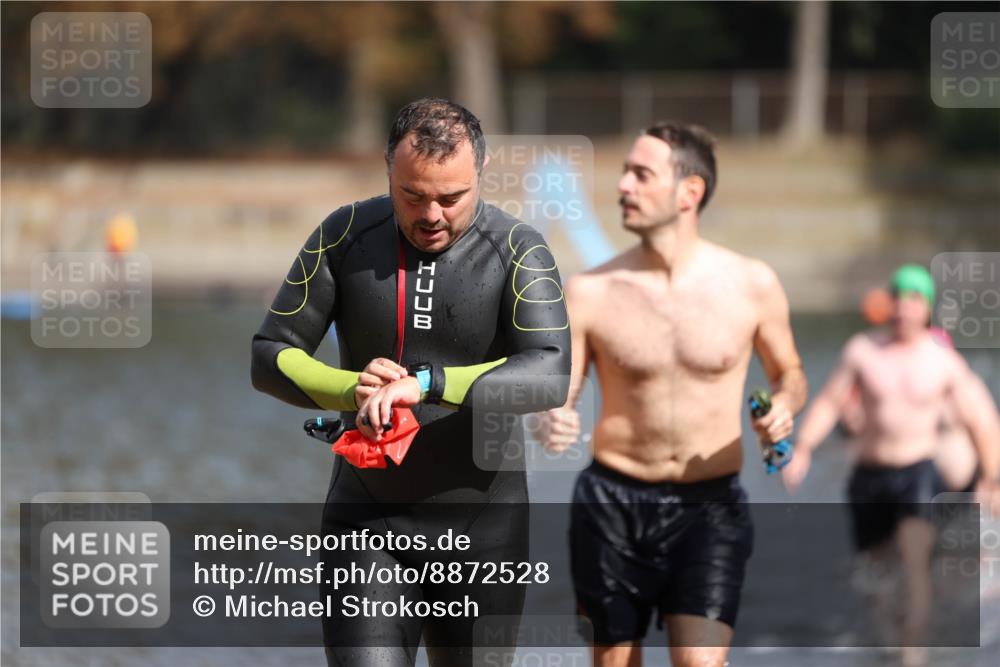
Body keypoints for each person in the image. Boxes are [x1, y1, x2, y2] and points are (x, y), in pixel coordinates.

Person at [251, 98, 571, 666]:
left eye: (452, 198)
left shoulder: (519, 249)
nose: (432, 215)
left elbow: (548, 372)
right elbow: (270, 354)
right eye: (413, 195)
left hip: (483, 532)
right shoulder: (344, 234)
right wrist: (352, 388)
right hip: (368, 525)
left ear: (481, 174)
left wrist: (427, 384)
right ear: (388, 171)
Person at [538, 122, 808, 667]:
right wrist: (551, 418)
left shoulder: (752, 283)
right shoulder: (589, 292)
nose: (623, 186)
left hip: (709, 506)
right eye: (623, 172)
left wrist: (784, 406)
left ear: (690, 192)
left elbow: (791, 373)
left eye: (641, 173)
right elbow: (558, 391)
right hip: (612, 504)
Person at [782, 264, 1000, 666]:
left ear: (927, 308)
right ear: (889, 304)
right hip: (868, 477)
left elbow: (982, 417)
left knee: (915, 562)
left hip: (916, 474)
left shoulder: (942, 361)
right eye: (898, 298)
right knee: (876, 576)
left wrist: (991, 477)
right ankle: (887, 643)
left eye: (914, 300)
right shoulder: (863, 350)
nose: (905, 308)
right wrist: (805, 448)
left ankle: (911, 654)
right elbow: (830, 401)